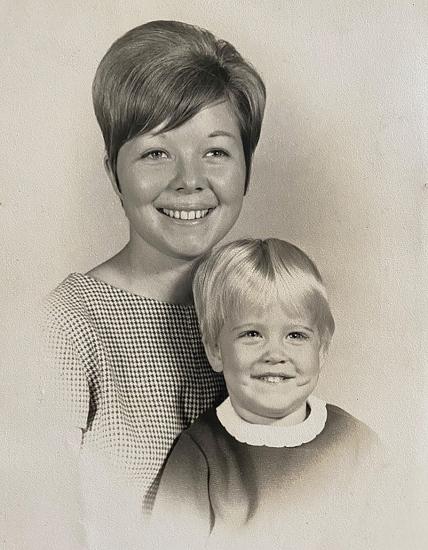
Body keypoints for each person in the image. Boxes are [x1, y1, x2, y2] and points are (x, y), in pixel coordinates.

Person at [43, 20, 265, 549]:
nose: (190, 179)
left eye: (216, 151)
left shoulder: (261, 309)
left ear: (246, 168)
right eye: (155, 152)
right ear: (114, 174)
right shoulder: (68, 324)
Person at [150, 238, 384, 550]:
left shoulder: (356, 444)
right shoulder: (201, 453)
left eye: (296, 335)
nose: (275, 354)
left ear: (322, 349)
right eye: (252, 334)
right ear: (215, 350)